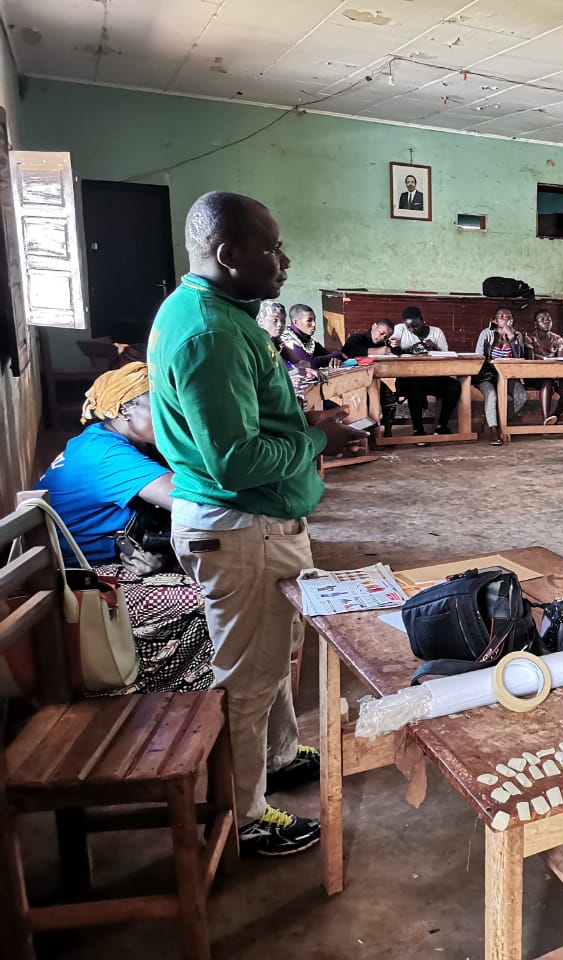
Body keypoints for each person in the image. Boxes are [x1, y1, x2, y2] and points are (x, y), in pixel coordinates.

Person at [148, 191, 364, 857]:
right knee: (245, 674)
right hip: (240, 524)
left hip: (254, 522)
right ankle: (246, 814)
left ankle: (280, 755)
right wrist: (315, 436)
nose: (285, 259)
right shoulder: (210, 333)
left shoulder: (215, 312)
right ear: (229, 254)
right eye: (272, 248)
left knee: (272, 655)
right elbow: (236, 459)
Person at [36, 364, 213, 694]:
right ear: (124, 409)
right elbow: (195, 503)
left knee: (209, 582)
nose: (171, 417)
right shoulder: (108, 455)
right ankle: (159, 693)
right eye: (160, 407)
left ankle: (175, 682)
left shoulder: (96, 440)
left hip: (86, 573)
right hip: (80, 589)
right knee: (215, 597)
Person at [389, 307, 462, 438]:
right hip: (409, 378)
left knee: (454, 387)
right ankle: (418, 429)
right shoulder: (400, 329)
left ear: (423, 321)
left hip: (434, 378)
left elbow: (447, 357)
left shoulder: (436, 332)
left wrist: (434, 347)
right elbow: (392, 349)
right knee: (414, 386)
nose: (412, 329)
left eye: (416, 326)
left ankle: (442, 426)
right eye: (409, 327)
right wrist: (394, 345)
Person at [475, 307, 529, 445]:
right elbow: (478, 357)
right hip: (487, 375)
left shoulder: (517, 335)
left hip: (508, 375)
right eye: (501, 316)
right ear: (494, 320)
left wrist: (511, 337)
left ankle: (497, 422)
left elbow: (520, 357)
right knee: (492, 394)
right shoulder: (486, 334)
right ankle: (494, 431)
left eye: (508, 316)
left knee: (521, 396)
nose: (504, 318)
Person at [343, 319, 399, 431]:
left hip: (376, 381)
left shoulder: (384, 343)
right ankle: (364, 432)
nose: (382, 337)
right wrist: (378, 351)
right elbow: (352, 350)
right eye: (381, 333)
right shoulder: (357, 338)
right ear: (374, 326)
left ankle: (387, 431)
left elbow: (398, 355)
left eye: (386, 336)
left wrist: (394, 346)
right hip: (354, 383)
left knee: (389, 394)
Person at [526, 308, 563, 426]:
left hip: (556, 376)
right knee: (547, 382)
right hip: (535, 376)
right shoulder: (530, 338)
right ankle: (546, 420)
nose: (546, 321)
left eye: (549, 319)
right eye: (542, 319)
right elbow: (530, 362)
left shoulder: (558, 339)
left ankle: (554, 417)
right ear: (535, 323)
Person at [280, 303, 344, 369]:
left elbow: (328, 354)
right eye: (309, 321)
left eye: (314, 320)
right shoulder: (288, 339)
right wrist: (336, 355)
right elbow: (310, 363)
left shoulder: (306, 339)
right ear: (296, 323)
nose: (314, 324)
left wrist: (335, 359)